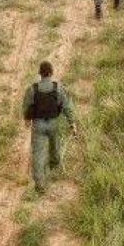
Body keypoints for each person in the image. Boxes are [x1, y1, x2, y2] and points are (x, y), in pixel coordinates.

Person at [21, 61, 77, 193]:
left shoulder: (32, 89)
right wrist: (72, 123)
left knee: (38, 154)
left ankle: (40, 185)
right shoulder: (58, 88)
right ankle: (54, 169)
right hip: (53, 123)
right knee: (55, 148)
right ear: (51, 73)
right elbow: (67, 106)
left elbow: (27, 106)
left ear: (40, 73)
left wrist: (27, 119)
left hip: (38, 124)